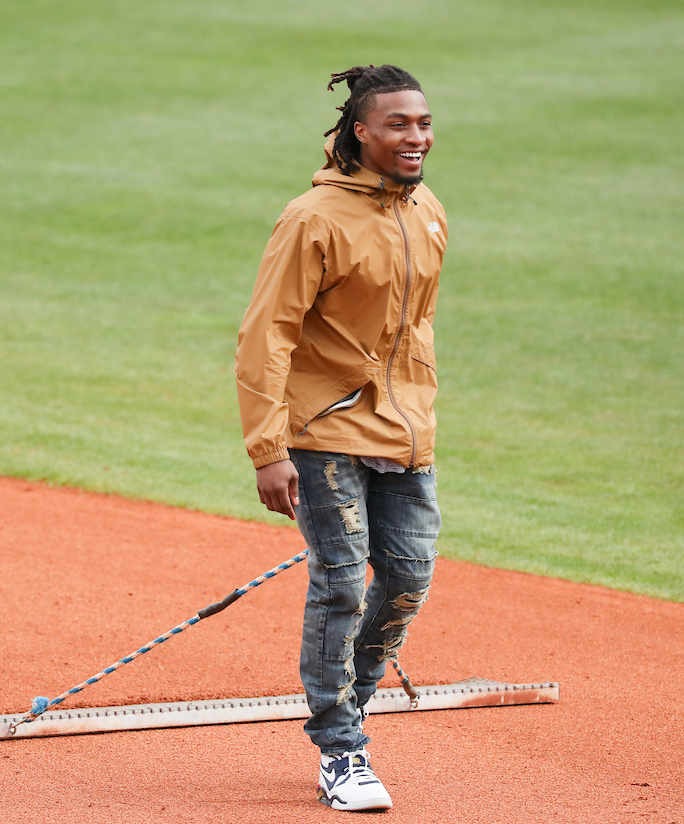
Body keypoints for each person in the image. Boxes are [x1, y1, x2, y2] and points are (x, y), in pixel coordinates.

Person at [235, 64, 447, 812]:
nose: (416, 136)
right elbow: (267, 336)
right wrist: (268, 449)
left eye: (422, 122)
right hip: (323, 436)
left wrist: (419, 417)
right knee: (339, 582)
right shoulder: (312, 220)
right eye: (399, 123)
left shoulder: (427, 213)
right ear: (361, 132)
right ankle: (340, 750)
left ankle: (347, 702)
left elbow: (412, 332)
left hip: (402, 434)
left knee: (409, 577)